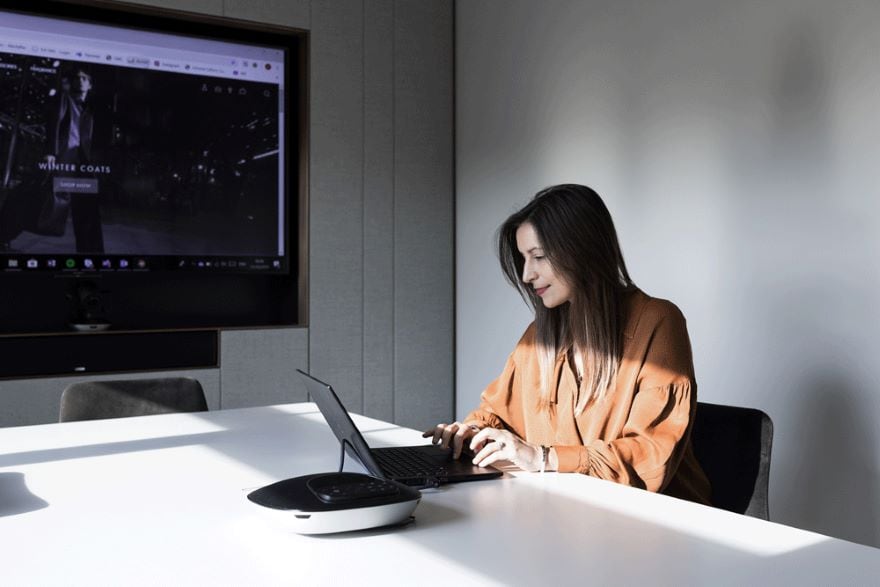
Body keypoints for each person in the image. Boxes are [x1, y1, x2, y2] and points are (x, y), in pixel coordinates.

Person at [424, 184, 711, 504]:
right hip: (568, 512)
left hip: (660, 521)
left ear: (582, 250)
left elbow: (649, 455)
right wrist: (471, 435)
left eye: (539, 257)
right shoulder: (539, 336)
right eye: (523, 258)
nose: (526, 274)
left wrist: (543, 457)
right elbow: (496, 414)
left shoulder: (658, 321)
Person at [45, 65, 105, 252]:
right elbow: (53, 125)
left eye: (84, 78)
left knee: (88, 208)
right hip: (64, 159)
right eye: (77, 78)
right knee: (44, 198)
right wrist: (50, 153)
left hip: (84, 163)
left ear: (90, 85)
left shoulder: (91, 108)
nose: (80, 81)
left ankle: (91, 252)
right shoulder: (64, 99)